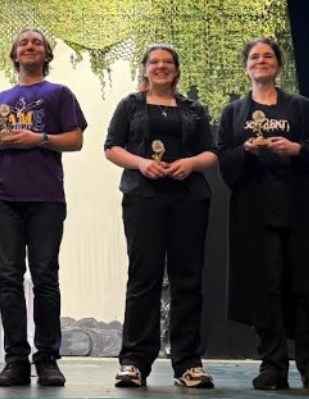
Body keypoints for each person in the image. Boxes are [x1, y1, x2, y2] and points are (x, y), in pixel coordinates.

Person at [217, 38, 309, 392]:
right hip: (255, 217)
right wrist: (244, 152)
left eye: (268, 56)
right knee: (265, 291)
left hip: (302, 213)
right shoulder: (233, 113)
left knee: (306, 288)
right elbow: (225, 166)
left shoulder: (300, 107)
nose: (261, 61)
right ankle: (273, 365)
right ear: (246, 67)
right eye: (255, 57)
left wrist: (297, 149)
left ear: (279, 65)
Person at [102, 44, 218, 389]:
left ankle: (188, 363)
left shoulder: (194, 109)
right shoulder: (129, 106)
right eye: (155, 62)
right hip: (143, 198)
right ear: (146, 69)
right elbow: (111, 147)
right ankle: (134, 363)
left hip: (189, 200)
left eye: (168, 62)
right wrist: (141, 163)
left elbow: (211, 152)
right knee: (143, 279)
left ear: (177, 71)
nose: (162, 67)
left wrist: (191, 164)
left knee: (187, 280)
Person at [0, 27, 87, 388]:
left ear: (46, 55)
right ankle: (15, 359)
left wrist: (37, 138)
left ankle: (47, 359)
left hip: (45, 197)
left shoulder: (59, 94)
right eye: (23, 43)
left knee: (45, 278)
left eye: (37, 43)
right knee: (8, 278)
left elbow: (75, 140)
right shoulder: (1, 99)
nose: (30, 46)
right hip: (3, 195)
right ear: (14, 55)